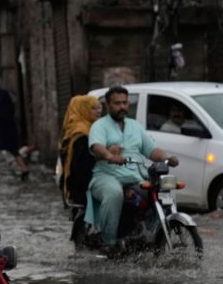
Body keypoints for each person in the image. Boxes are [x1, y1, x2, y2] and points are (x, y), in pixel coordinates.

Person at [85, 85, 179, 251]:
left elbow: (151, 150)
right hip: (107, 176)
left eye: (125, 102)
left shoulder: (135, 126)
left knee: (161, 189)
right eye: (117, 103)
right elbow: (96, 146)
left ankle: (149, 233)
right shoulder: (99, 126)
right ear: (108, 105)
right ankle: (109, 242)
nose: (122, 106)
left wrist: (166, 158)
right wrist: (110, 156)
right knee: (114, 193)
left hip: (136, 176)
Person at [0, 74, 29, 186]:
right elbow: (11, 108)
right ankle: (24, 168)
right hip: (8, 125)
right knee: (13, 149)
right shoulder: (5, 93)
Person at [58, 94, 102, 206]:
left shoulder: (88, 129)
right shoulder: (81, 135)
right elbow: (83, 169)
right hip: (84, 190)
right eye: (93, 108)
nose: (98, 111)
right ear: (82, 110)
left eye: (99, 107)